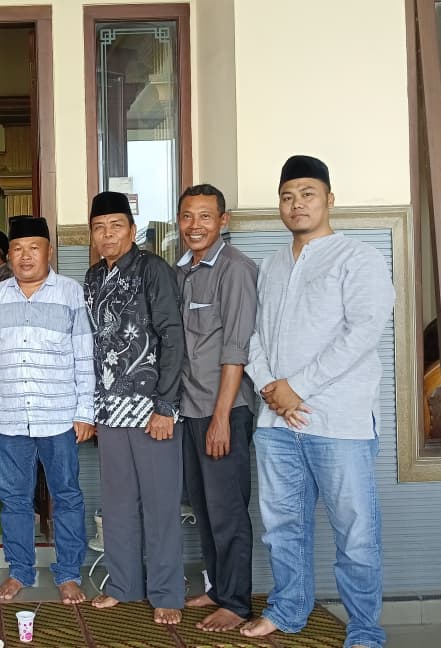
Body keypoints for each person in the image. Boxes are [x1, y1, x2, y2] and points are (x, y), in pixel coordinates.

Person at [240, 156, 393, 648]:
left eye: (307, 194)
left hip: (339, 423)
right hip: (276, 424)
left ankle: (364, 630)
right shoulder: (271, 265)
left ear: (329, 199)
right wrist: (270, 386)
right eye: (287, 196)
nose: (297, 204)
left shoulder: (358, 258)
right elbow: (254, 335)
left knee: (356, 533)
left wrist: (299, 387)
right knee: (282, 528)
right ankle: (288, 611)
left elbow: (363, 331)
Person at [84, 191, 186, 624]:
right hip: (109, 409)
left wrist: (166, 406)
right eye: (99, 228)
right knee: (118, 503)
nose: (107, 235)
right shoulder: (93, 276)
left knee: (160, 504)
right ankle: (123, 586)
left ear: (131, 229)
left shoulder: (152, 269)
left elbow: (172, 337)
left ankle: (166, 593)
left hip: (151, 409)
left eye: (116, 226)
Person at [0, 216, 94, 605]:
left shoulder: (70, 293)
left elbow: (84, 355)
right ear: (8, 255)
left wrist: (85, 411)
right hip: (12, 417)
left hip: (60, 415)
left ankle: (68, 573)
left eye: (34, 248)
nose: (25, 256)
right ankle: (19, 570)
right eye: (17, 249)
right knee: (14, 497)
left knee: (67, 495)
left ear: (49, 251)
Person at [173, 185, 259, 632]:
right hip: (191, 409)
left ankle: (237, 603)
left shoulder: (236, 269)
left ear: (223, 221)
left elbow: (236, 349)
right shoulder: (182, 270)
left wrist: (222, 418)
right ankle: (217, 588)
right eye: (188, 216)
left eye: (205, 216)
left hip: (223, 410)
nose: (195, 226)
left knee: (227, 509)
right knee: (204, 508)